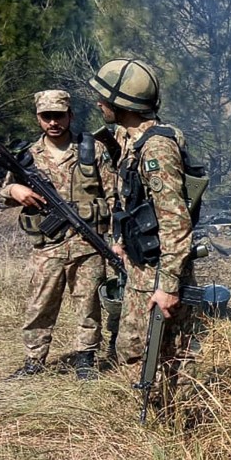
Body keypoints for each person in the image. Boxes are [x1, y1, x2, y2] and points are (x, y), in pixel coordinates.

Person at [88, 58, 200, 402]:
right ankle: (155, 415)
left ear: (123, 104)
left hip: (159, 272)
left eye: (104, 99)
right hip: (141, 267)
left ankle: (177, 424)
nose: (99, 104)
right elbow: (132, 199)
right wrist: (121, 240)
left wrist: (167, 287)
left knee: (166, 356)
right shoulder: (132, 140)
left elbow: (176, 223)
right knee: (135, 349)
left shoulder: (156, 149)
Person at [2, 90, 116, 380]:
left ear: (70, 115)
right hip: (48, 246)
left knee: (88, 304)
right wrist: (14, 190)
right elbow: (4, 191)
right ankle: (34, 360)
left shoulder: (92, 150)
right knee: (40, 304)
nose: (53, 122)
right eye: (46, 116)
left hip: (88, 243)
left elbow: (114, 197)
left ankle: (85, 359)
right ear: (38, 118)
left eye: (58, 116)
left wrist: (117, 241)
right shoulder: (27, 157)